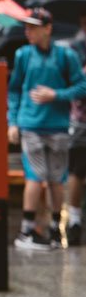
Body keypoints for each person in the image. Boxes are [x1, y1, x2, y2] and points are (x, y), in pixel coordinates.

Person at [8, 7, 86, 250]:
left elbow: (81, 87)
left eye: (33, 27)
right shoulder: (23, 55)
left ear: (48, 28)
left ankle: (54, 227)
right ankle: (27, 230)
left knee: (56, 178)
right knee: (35, 176)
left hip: (59, 126)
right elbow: (14, 89)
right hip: (31, 124)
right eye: (27, 27)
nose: (28, 31)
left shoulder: (66, 56)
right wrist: (13, 121)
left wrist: (56, 95)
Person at [66, 14, 86, 246]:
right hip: (81, 120)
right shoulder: (74, 48)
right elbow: (75, 84)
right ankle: (74, 221)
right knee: (77, 170)